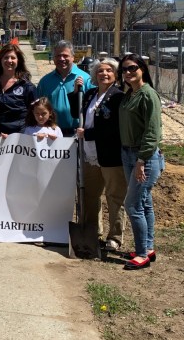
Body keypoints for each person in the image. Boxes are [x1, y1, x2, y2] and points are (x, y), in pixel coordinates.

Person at [71, 57, 126, 251]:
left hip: (110, 156)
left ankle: (115, 237)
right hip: (89, 154)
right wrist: (76, 92)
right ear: (94, 75)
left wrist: (89, 134)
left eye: (109, 71)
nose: (104, 73)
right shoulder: (90, 94)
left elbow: (115, 128)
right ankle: (93, 232)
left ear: (115, 75)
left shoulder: (119, 96)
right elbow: (75, 113)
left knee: (114, 197)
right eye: (100, 71)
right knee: (89, 196)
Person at [118, 54, 164, 270]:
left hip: (143, 157)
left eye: (132, 68)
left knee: (132, 204)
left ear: (142, 69)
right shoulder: (130, 94)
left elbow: (153, 131)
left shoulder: (148, 95)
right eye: (124, 69)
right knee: (144, 202)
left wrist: (141, 160)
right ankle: (148, 247)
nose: (128, 72)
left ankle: (142, 254)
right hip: (127, 154)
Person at [37, 40, 94, 136]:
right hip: (51, 134)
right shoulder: (45, 81)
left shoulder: (85, 79)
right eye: (58, 56)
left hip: (77, 134)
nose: (61, 59)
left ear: (73, 57)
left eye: (65, 55)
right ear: (54, 58)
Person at [0, 43, 37, 136]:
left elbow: (36, 112)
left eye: (13, 58)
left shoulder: (27, 86)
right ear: (0, 60)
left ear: (18, 61)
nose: (9, 60)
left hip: (20, 135)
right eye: (5, 57)